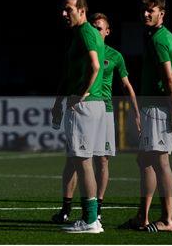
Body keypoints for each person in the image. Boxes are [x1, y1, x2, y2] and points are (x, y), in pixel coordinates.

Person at [51, 12, 140, 224]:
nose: (96, 30)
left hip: (104, 111)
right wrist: (60, 102)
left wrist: (136, 113)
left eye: (100, 28)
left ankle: (96, 209)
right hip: (87, 107)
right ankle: (66, 207)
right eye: (94, 26)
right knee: (75, 159)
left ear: (107, 32)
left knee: (101, 159)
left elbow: (127, 86)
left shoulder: (115, 56)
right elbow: (67, 77)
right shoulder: (82, 49)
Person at [124, 0, 172, 232]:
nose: (146, 14)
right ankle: (142, 216)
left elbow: (169, 78)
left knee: (160, 161)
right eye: (144, 10)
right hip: (156, 106)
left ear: (162, 14)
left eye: (151, 10)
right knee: (145, 160)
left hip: (158, 108)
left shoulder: (159, 40)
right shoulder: (161, 36)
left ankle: (168, 219)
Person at [51, 0, 105, 233]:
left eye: (68, 9)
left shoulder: (84, 32)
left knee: (83, 162)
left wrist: (81, 94)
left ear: (82, 11)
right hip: (92, 104)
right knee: (82, 161)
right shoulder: (83, 34)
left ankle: (91, 220)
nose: (64, 14)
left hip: (85, 105)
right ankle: (91, 217)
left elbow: (95, 66)